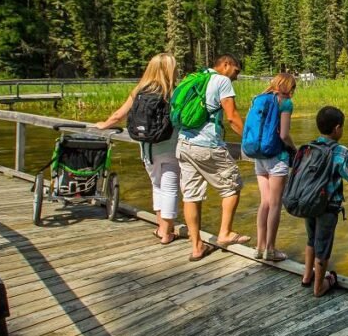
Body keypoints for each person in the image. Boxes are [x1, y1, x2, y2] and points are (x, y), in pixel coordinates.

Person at [95, 53, 179, 244]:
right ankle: (167, 232)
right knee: (170, 189)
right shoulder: (174, 92)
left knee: (157, 187)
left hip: (147, 149)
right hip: (170, 148)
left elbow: (119, 115)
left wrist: (104, 124)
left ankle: (161, 228)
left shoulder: (140, 90)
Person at [177, 54, 251, 262]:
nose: (236, 76)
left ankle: (196, 246)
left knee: (191, 195)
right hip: (207, 144)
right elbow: (232, 116)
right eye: (236, 71)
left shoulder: (196, 78)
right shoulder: (222, 81)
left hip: (184, 143)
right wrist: (251, 141)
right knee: (232, 186)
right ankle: (225, 233)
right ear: (226, 65)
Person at [300, 106, 348, 296]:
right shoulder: (340, 151)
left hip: (308, 202)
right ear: (337, 128)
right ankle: (319, 287)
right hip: (328, 206)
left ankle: (307, 277)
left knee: (311, 239)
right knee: (323, 245)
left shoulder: (310, 147)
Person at [249, 73, 298, 262]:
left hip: (258, 155)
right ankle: (271, 249)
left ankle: (259, 247)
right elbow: (284, 134)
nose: (293, 92)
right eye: (293, 88)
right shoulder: (284, 102)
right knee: (276, 204)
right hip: (276, 157)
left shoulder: (259, 99)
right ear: (288, 87)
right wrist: (295, 149)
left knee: (265, 203)